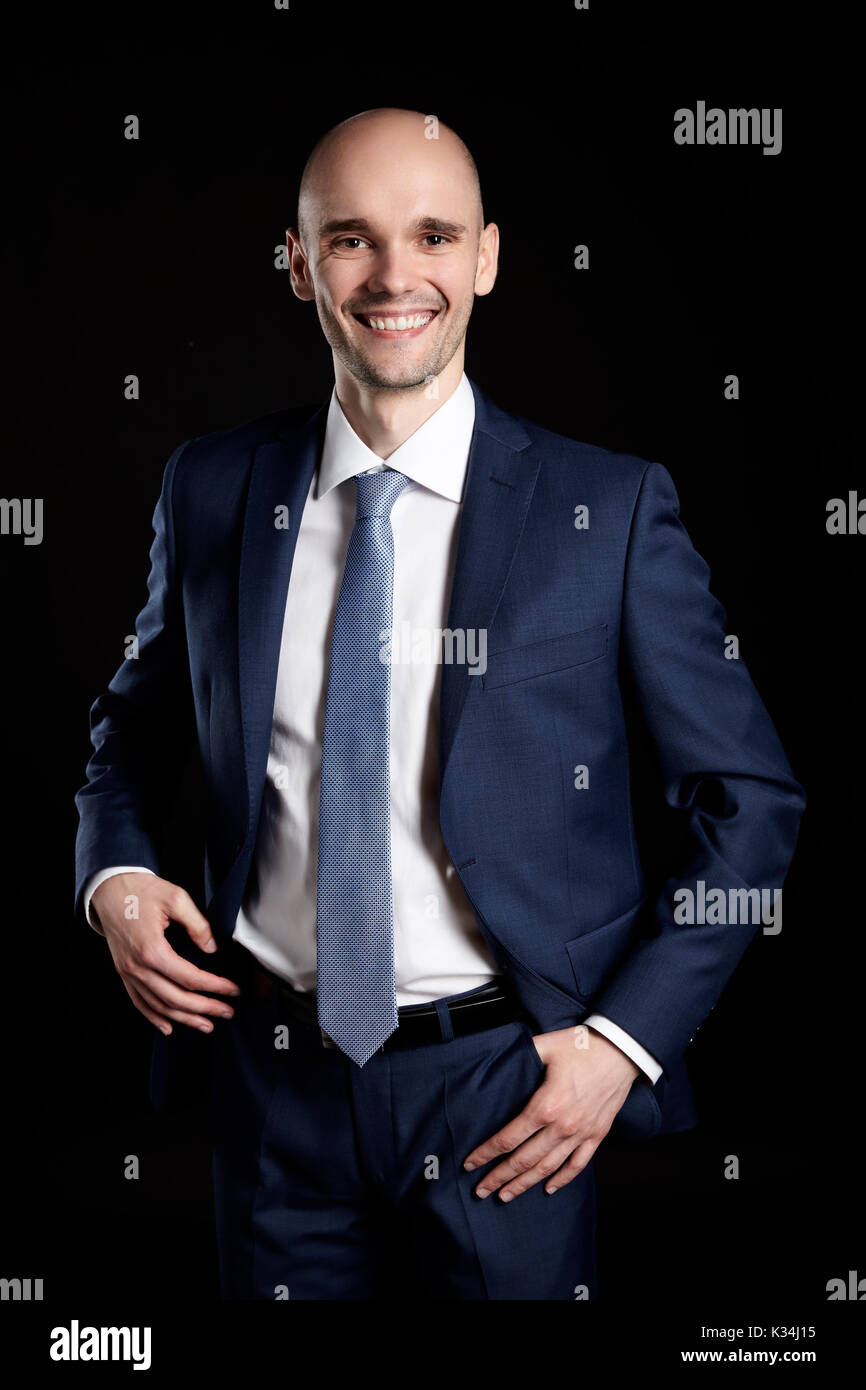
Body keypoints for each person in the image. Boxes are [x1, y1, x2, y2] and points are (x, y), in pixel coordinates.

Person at [74, 106, 805, 1300]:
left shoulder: (607, 509)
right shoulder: (209, 488)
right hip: (268, 1084)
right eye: (351, 240)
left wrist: (620, 1047)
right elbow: (133, 738)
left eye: (432, 236)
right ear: (299, 262)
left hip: (507, 1088)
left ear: (486, 258)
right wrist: (114, 882)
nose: (395, 276)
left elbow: (751, 802)